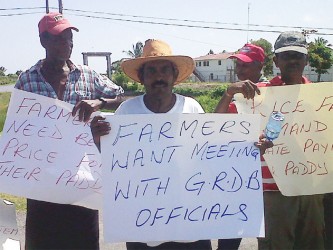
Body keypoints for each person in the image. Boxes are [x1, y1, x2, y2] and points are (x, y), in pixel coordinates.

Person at [15, 12, 124, 249]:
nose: (67, 44)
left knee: (84, 242)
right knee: (42, 242)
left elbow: (124, 97)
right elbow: (18, 131)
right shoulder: (26, 81)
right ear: (43, 41)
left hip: (82, 181)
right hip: (41, 183)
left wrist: (101, 103)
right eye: (59, 38)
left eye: (69, 38)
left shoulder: (88, 76)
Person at [216, 31, 325, 250]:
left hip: (313, 189)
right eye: (286, 56)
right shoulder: (255, 95)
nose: (292, 60)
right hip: (274, 192)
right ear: (276, 61)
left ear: (306, 60)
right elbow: (217, 126)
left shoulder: (322, 97)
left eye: (297, 55)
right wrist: (228, 94)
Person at [217, 43, 268, 250]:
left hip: (269, 183)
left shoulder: (275, 92)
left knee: (268, 242)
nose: (239, 70)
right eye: (238, 64)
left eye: (245, 65)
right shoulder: (235, 95)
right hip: (237, 180)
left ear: (259, 66)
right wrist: (228, 93)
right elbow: (215, 123)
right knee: (228, 243)